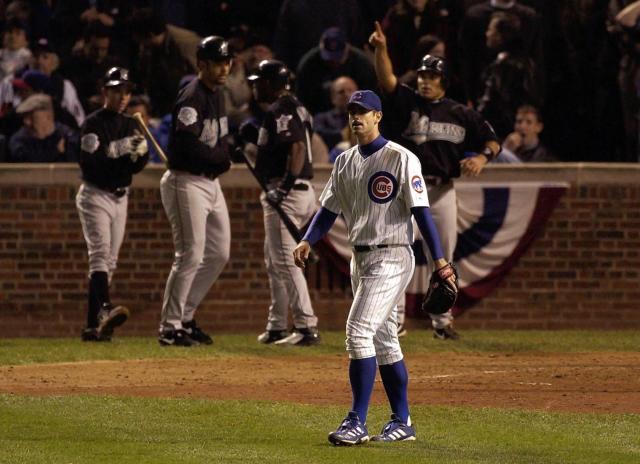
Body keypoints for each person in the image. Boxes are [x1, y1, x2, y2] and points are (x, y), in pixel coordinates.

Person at [293, 89, 454, 445]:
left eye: (363, 111)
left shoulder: (401, 158)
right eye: (352, 111)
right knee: (383, 342)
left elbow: (421, 213)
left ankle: (357, 421)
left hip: (393, 254)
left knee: (357, 330)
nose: (356, 117)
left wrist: (440, 260)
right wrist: (308, 239)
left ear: (378, 116)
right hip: (361, 258)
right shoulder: (344, 161)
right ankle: (403, 422)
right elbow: (328, 210)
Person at [370, 22, 501, 340]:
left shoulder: (460, 113)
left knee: (443, 258)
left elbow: (493, 141)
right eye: (423, 75)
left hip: (441, 191)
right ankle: (395, 320)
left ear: (443, 80)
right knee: (396, 253)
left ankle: (442, 322)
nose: (425, 81)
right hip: (405, 190)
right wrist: (381, 49)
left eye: (432, 76)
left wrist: (482, 158)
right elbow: (386, 79)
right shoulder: (407, 102)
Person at [158, 36, 233, 347]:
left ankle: (185, 316)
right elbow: (188, 144)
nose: (224, 68)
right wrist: (220, 158)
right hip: (185, 180)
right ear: (202, 64)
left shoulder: (218, 94)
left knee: (219, 253)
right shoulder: (193, 95)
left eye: (227, 61)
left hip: (210, 183)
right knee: (190, 254)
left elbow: (220, 141)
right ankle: (169, 326)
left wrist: (221, 157)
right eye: (218, 62)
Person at [248, 59, 320, 346]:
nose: (255, 87)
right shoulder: (297, 106)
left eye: (258, 82)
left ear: (270, 83)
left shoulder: (281, 109)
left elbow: (298, 147)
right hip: (300, 192)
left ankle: (305, 326)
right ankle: (277, 324)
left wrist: (284, 186)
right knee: (274, 260)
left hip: (287, 192)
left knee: (285, 261)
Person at [76, 67, 149, 342]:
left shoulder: (131, 123)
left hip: (121, 195)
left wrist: (140, 155)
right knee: (99, 253)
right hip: (95, 195)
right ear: (105, 91)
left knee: (110, 260)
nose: (123, 96)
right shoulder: (93, 124)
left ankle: (93, 326)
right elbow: (90, 165)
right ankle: (105, 310)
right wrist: (120, 154)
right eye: (117, 90)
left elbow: (136, 167)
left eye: (127, 91)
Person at [295, 27, 377, 114]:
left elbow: (371, 98)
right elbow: (302, 99)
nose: (334, 62)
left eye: (338, 57)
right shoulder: (308, 65)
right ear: (321, 48)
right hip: (319, 117)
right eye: (329, 58)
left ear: (347, 49)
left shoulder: (362, 64)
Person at [8, 93, 78, 162]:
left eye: (31, 116)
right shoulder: (19, 140)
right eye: (25, 116)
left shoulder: (67, 137)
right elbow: (25, 163)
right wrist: (56, 151)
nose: (26, 121)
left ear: (48, 116)